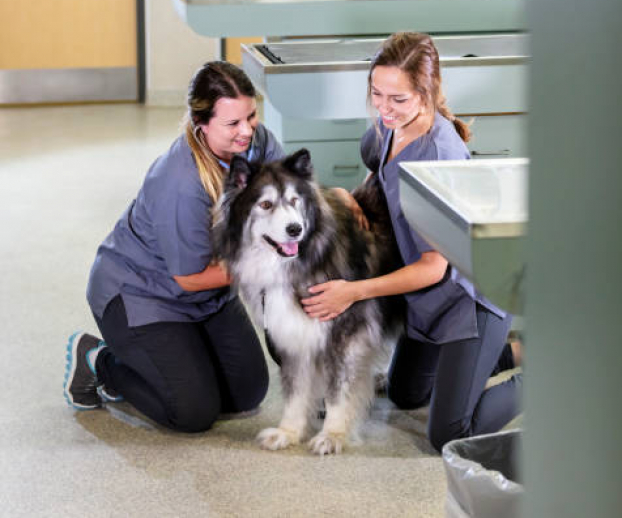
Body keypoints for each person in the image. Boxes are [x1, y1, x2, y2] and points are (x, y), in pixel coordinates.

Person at [302, 32, 522, 452]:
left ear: (426, 94)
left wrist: (351, 292)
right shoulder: (392, 127)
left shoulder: (440, 154)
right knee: (406, 394)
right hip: (427, 299)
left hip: (469, 299)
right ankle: (504, 356)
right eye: (376, 94)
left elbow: (434, 266)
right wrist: (352, 196)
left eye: (397, 99)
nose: (384, 108)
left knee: (449, 436)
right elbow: (381, 174)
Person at [64, 61, 283, 432]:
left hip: (210, 295)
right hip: (143, 296)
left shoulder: (255, 142)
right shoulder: (180, 183)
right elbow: (190, 277)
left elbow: (290, 193)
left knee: (246, 394)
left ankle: (182, 358)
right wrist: (267, 263)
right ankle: (98, 361)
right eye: (232, 124)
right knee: (193, 413)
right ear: (201, 124)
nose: (247, 131)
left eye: (251, 116)